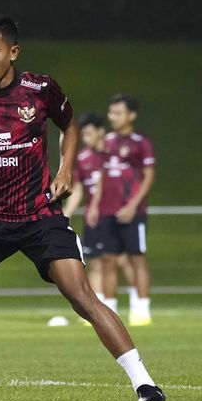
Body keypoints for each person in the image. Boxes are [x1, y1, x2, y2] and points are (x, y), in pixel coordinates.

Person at [0, 14, 165, 401]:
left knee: (82, 295)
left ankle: (144, 382)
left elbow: (70, 126)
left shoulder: (40, 89)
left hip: (39, 216)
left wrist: (65, 171)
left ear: (13, 52)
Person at [104, 94, 156, 326]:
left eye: (118, 113)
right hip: (109, 213)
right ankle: (109, 311)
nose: (112, 117)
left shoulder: (140, 142)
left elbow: (148, 177)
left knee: (137, 260)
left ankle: (141, 311)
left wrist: (132, 206)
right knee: (108, 260)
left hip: (133, 213)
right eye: (111, 112)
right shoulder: (106, 142)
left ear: (131, 116)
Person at [63, 112, 120, 315]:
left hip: (115, 216)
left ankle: (117, 306)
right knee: (95, 262)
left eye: (89, 134)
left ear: (100, 132)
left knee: (114, 262)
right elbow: (78, 189)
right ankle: (100, 309)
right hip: (94, 219)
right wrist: (65, 214)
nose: (85, 139)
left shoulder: (114, 154)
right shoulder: (83, 158)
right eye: (83, 135)